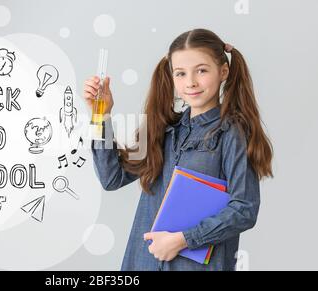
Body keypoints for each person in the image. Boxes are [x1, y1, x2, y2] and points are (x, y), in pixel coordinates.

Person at [83, 28, 273, 271]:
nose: (190, 82)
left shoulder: (232, 133)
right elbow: (111, 178)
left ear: (223, 71)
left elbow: (244, 208)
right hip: (143, 263)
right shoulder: (164, 130)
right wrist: (101, 114)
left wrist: (183, 239)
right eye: (180, 74)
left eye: (202, 71)